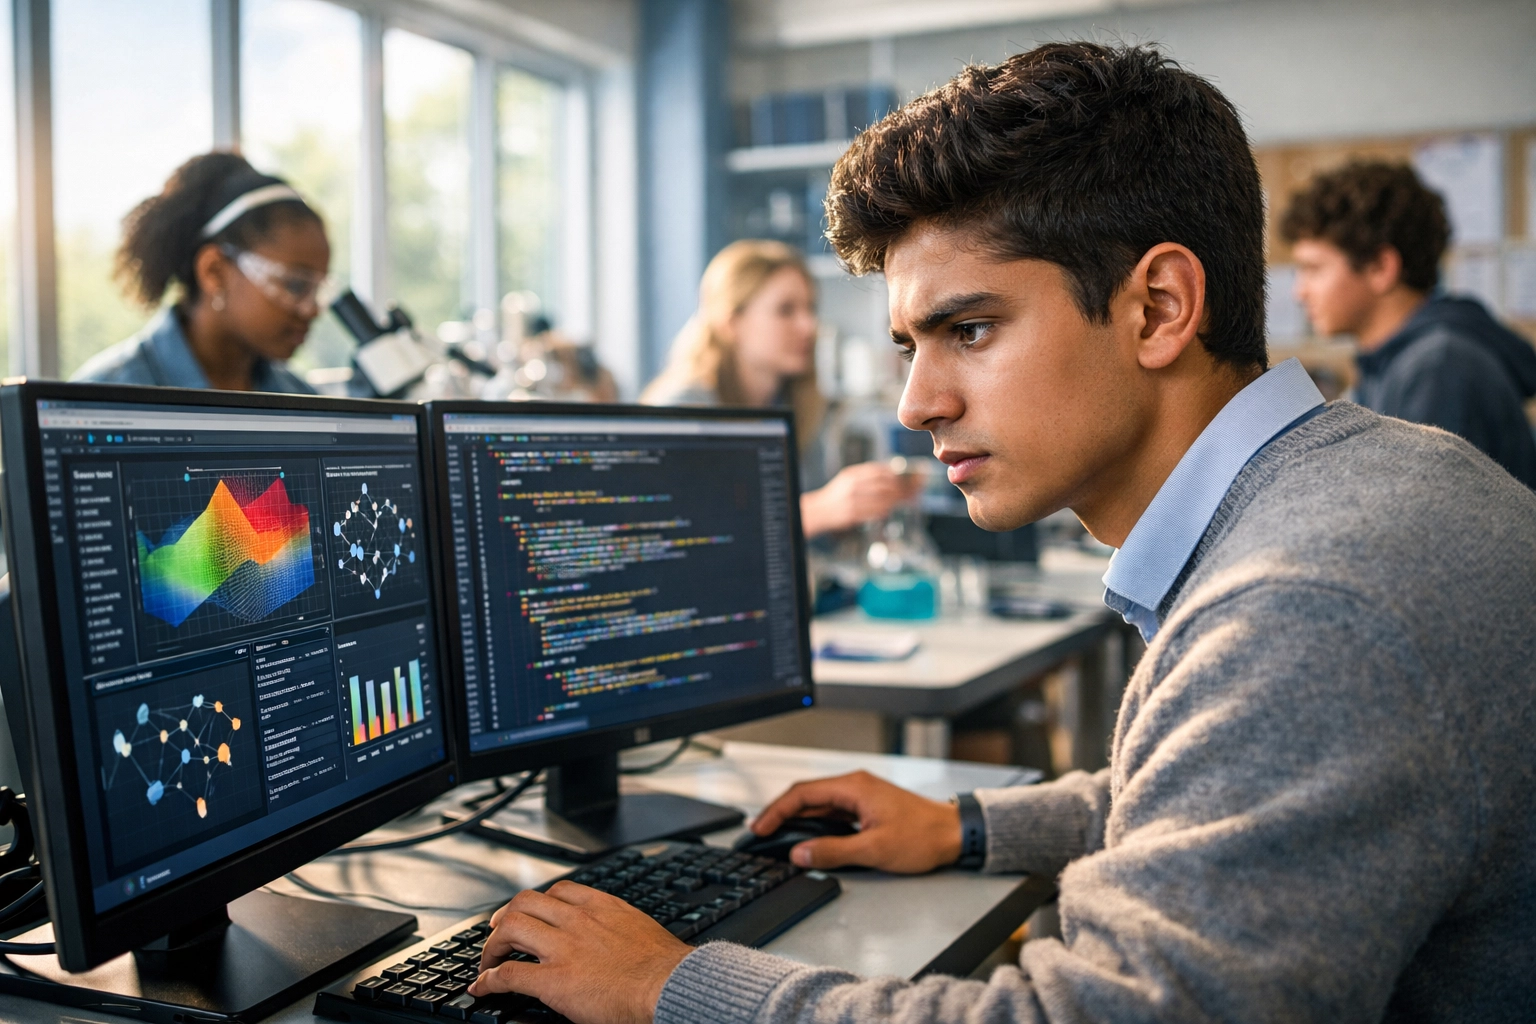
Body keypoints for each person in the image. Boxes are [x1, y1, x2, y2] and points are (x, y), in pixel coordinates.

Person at [465, 42, 1536, 1024]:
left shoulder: (1302, 605)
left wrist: (674, 986)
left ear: (1159, 307)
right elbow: (1230, 799)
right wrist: (970, 825)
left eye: (968, 330)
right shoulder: (1379, 479)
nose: (916, 403)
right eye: (906, 346)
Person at [1282, 160, 1536, 488]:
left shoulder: (1439, 369)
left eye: (1314, 269)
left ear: (1380, 268)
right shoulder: (1388, 361)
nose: (1299, 292)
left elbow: (1423, 527)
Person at [642, 239, 920, 537]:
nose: (809, 325)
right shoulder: (680, 411)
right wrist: (819, 510)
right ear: (731, 323)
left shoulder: (800, 407)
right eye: (785, 310)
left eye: (810, 308)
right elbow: (688, 530)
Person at [72, 151, 328, 393]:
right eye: (295, 285)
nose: (313, 309)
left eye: (318, 289)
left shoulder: (302, 400)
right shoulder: (104, 398)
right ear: (214, 271)